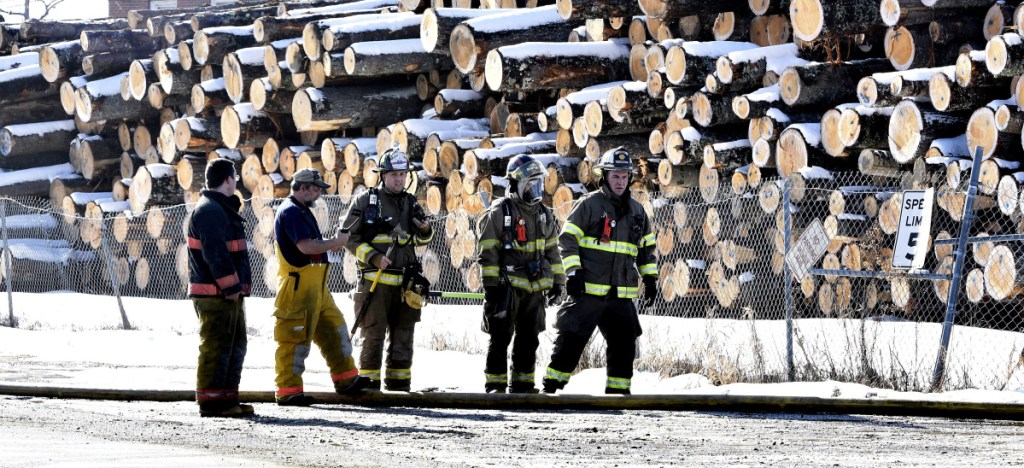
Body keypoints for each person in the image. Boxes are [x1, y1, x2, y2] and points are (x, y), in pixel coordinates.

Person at [542, 147, 658, 395]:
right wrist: (573, 272)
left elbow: (646, 248)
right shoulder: (590, 205)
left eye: (624, 177)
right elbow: (568, 239)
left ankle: (618, 395)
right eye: (615, 176)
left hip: (620, 294)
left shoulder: (638, 212)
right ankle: (551, 387)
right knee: (571, 338)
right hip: (588, 290)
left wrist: (650, 279)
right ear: (604, 176)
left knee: (625, 343)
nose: (620, 181)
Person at [272, 168, 370, 406]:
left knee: (335, 332)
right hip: (297, 290)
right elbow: (306, 247)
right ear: (303, 188)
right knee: (294, 342)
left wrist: (333, 243)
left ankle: (346, 379)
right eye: (315, 189)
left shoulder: (303, 211)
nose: (318, 194)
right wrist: (336, 243)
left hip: (318, 289)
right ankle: (288, 390)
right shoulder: (291, 212)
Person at [341, 148, 433, 391]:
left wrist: (424, 229)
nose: (399, 179)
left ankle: (399, 385)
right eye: (394, 175)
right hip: (376, 282)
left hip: (406, 286)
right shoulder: (366, 201)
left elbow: (422, 241)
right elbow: (347, 238)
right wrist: (373, 257)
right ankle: (369, 387)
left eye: (403, 174)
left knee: (404, 335)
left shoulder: (411, 203)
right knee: (373, 334)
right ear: (383, 176)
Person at [475, 155, 565, 393]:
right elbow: (488, 252)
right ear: (515, 184)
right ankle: (495, 386)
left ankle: (523, 386)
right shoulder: (500, 212)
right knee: (500, 337)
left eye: (538, 183)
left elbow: (552, 251)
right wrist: (491, 287)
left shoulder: (544, 214)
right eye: (530, 184)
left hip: (534, 290)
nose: (536, 189)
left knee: (529, 338)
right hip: (506, 289)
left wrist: (558, 282)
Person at [186, 158, 254, 418]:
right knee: (216, 346)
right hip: (217, 295)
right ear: (228, 179)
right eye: (234, 176)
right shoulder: (209, 211)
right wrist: (231, 286)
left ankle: (227, 399)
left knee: (235, 345)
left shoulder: (220, 208)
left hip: (228, 294)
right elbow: (216, 255)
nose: (236, 181)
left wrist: (235, 288)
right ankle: (212, 402)